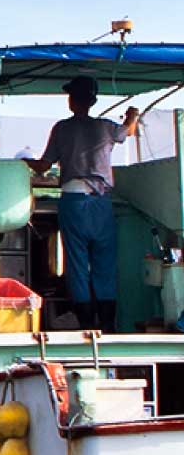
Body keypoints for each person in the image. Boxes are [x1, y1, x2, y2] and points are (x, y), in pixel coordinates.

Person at [23, 75, 139, 333]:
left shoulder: (61, 128)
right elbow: (127, 132)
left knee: (76, 263)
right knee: (104, 263)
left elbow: (43, 166)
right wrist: (132, 116)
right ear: (93, 101)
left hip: (73, 201)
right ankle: (108, 325)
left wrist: (21, 163)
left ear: (71, 101)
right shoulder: (106, 128)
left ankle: (87, 324)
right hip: (100, 202)